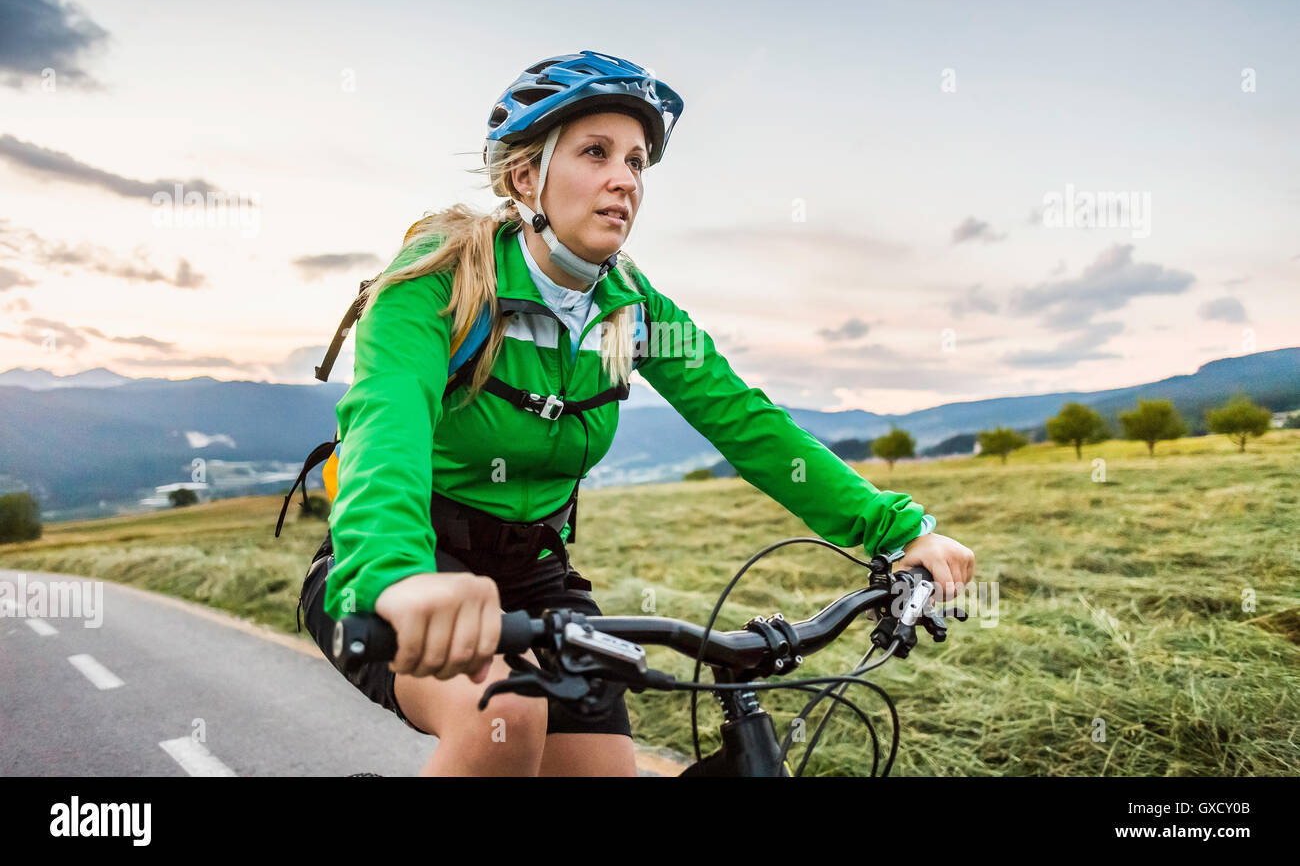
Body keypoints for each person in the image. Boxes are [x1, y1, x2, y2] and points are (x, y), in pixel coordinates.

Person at [298, 50, 975, 777]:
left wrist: (901, 530)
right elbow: (383, 428)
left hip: (533, 571)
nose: (625, 179)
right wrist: (399, 578)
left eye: (638, 161)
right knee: (506, 710)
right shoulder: (438, 280)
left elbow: (746, 422)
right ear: (526, 178)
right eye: (595, 153)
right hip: (398, 560)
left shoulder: (633, 308)